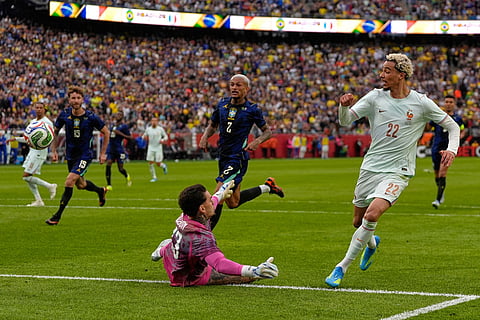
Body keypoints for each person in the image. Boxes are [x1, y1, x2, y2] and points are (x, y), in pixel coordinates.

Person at [325, 53, 460, 288]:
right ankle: (372, 243)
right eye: (382, 70)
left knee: (372, 215)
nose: (382, 75)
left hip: (399, 171)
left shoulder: (420, 102)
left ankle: (341, 267)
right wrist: (343, 107)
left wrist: (452, 150)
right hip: (370, 167)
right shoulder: (375, 98)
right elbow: (346, 121)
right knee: (358, 222)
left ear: (402, 74)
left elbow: (452, 125)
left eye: (387, 71)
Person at [150, 181, 279, 286]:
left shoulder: (187, 214)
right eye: (209, 199)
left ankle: (162, 250)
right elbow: (219, 263)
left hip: (172, 259)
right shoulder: (200, 238)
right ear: (202, 208)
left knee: (178, 245)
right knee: (244, 277)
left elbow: (216, 199)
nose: (213, 201)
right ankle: (163, 248)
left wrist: (222, 191)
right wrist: (253, 271)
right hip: (187, 277)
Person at [199, 74, 284, 226]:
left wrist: (257, 141)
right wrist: (205, 136)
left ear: (247, 89)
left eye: (239, 85)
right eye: (232, 85)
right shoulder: (222, 104)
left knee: (219, 192)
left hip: (237, 158)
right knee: (233, 202)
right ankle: (267, 187)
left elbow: (267, 131)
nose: (234, 88)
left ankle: (205, 235)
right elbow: (212, 125)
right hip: (223, 156)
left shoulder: (252, 109)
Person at [45, 86, 110, 225]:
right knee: (81, 185)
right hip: (71, 156)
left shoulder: (91, 117)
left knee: (69, 181)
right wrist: (54, 150)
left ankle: (56, 216)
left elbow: (107, 132)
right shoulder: (64, 114)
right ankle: (100, 191)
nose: (75, 100)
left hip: (85, 155)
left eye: (78, 98)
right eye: (73, 98)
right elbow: (55, 132)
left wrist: (103, 153)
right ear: (69, 99)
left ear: (82, 99)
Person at [12, 102, 57, 206]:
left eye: (41, 108)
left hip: (39, 152)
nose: (39, 109)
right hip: (32, 151)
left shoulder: (47, 122)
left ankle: (50, 186)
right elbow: (28, 138)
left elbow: (51, 138)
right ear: (34, 109)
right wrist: (16, 139)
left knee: (26, 176)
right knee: (28, 177)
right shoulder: (33, 122)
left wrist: (53, 151)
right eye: (37, 108)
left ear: (44, 109)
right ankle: (38, 200)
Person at [427, 95, 464, 209]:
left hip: (448, 150)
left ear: (454, 104)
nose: (448, 104)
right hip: (435, 148)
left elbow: (462, 130)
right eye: (446, 101)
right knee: (437, 174)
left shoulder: (458, 119)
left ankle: (437, 200)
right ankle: (441, 192)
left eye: (451, 102)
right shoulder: (437, 117)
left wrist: (458, 140)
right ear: (444, 103)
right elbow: (428, 127)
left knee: (443, 173)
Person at [105, 111, 132, 190]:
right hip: (111, 148)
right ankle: (109, 184)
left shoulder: (124, 126)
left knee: (120, 169)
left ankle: (127, 175)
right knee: (109, 163)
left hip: (119, 149)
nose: (118, 116)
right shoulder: (112, 125)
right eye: (117, 114)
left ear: (122, 117)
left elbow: (130, 138)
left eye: (120, 115)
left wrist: (119, 133)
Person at [142, 117, 168, 182]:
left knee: (158, 163)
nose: (154, 122)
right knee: (150, 162)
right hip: (151, 147)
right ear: (151, 122)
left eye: (155, 121)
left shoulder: (160, 129)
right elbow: (144, 136)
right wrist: (144, 137)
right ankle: (154, 177)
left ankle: (163, 166)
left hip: (158, 147)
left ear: (157, 122)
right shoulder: (148, 129)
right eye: (152, 121)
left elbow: (166, 136)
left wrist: (162, 140)